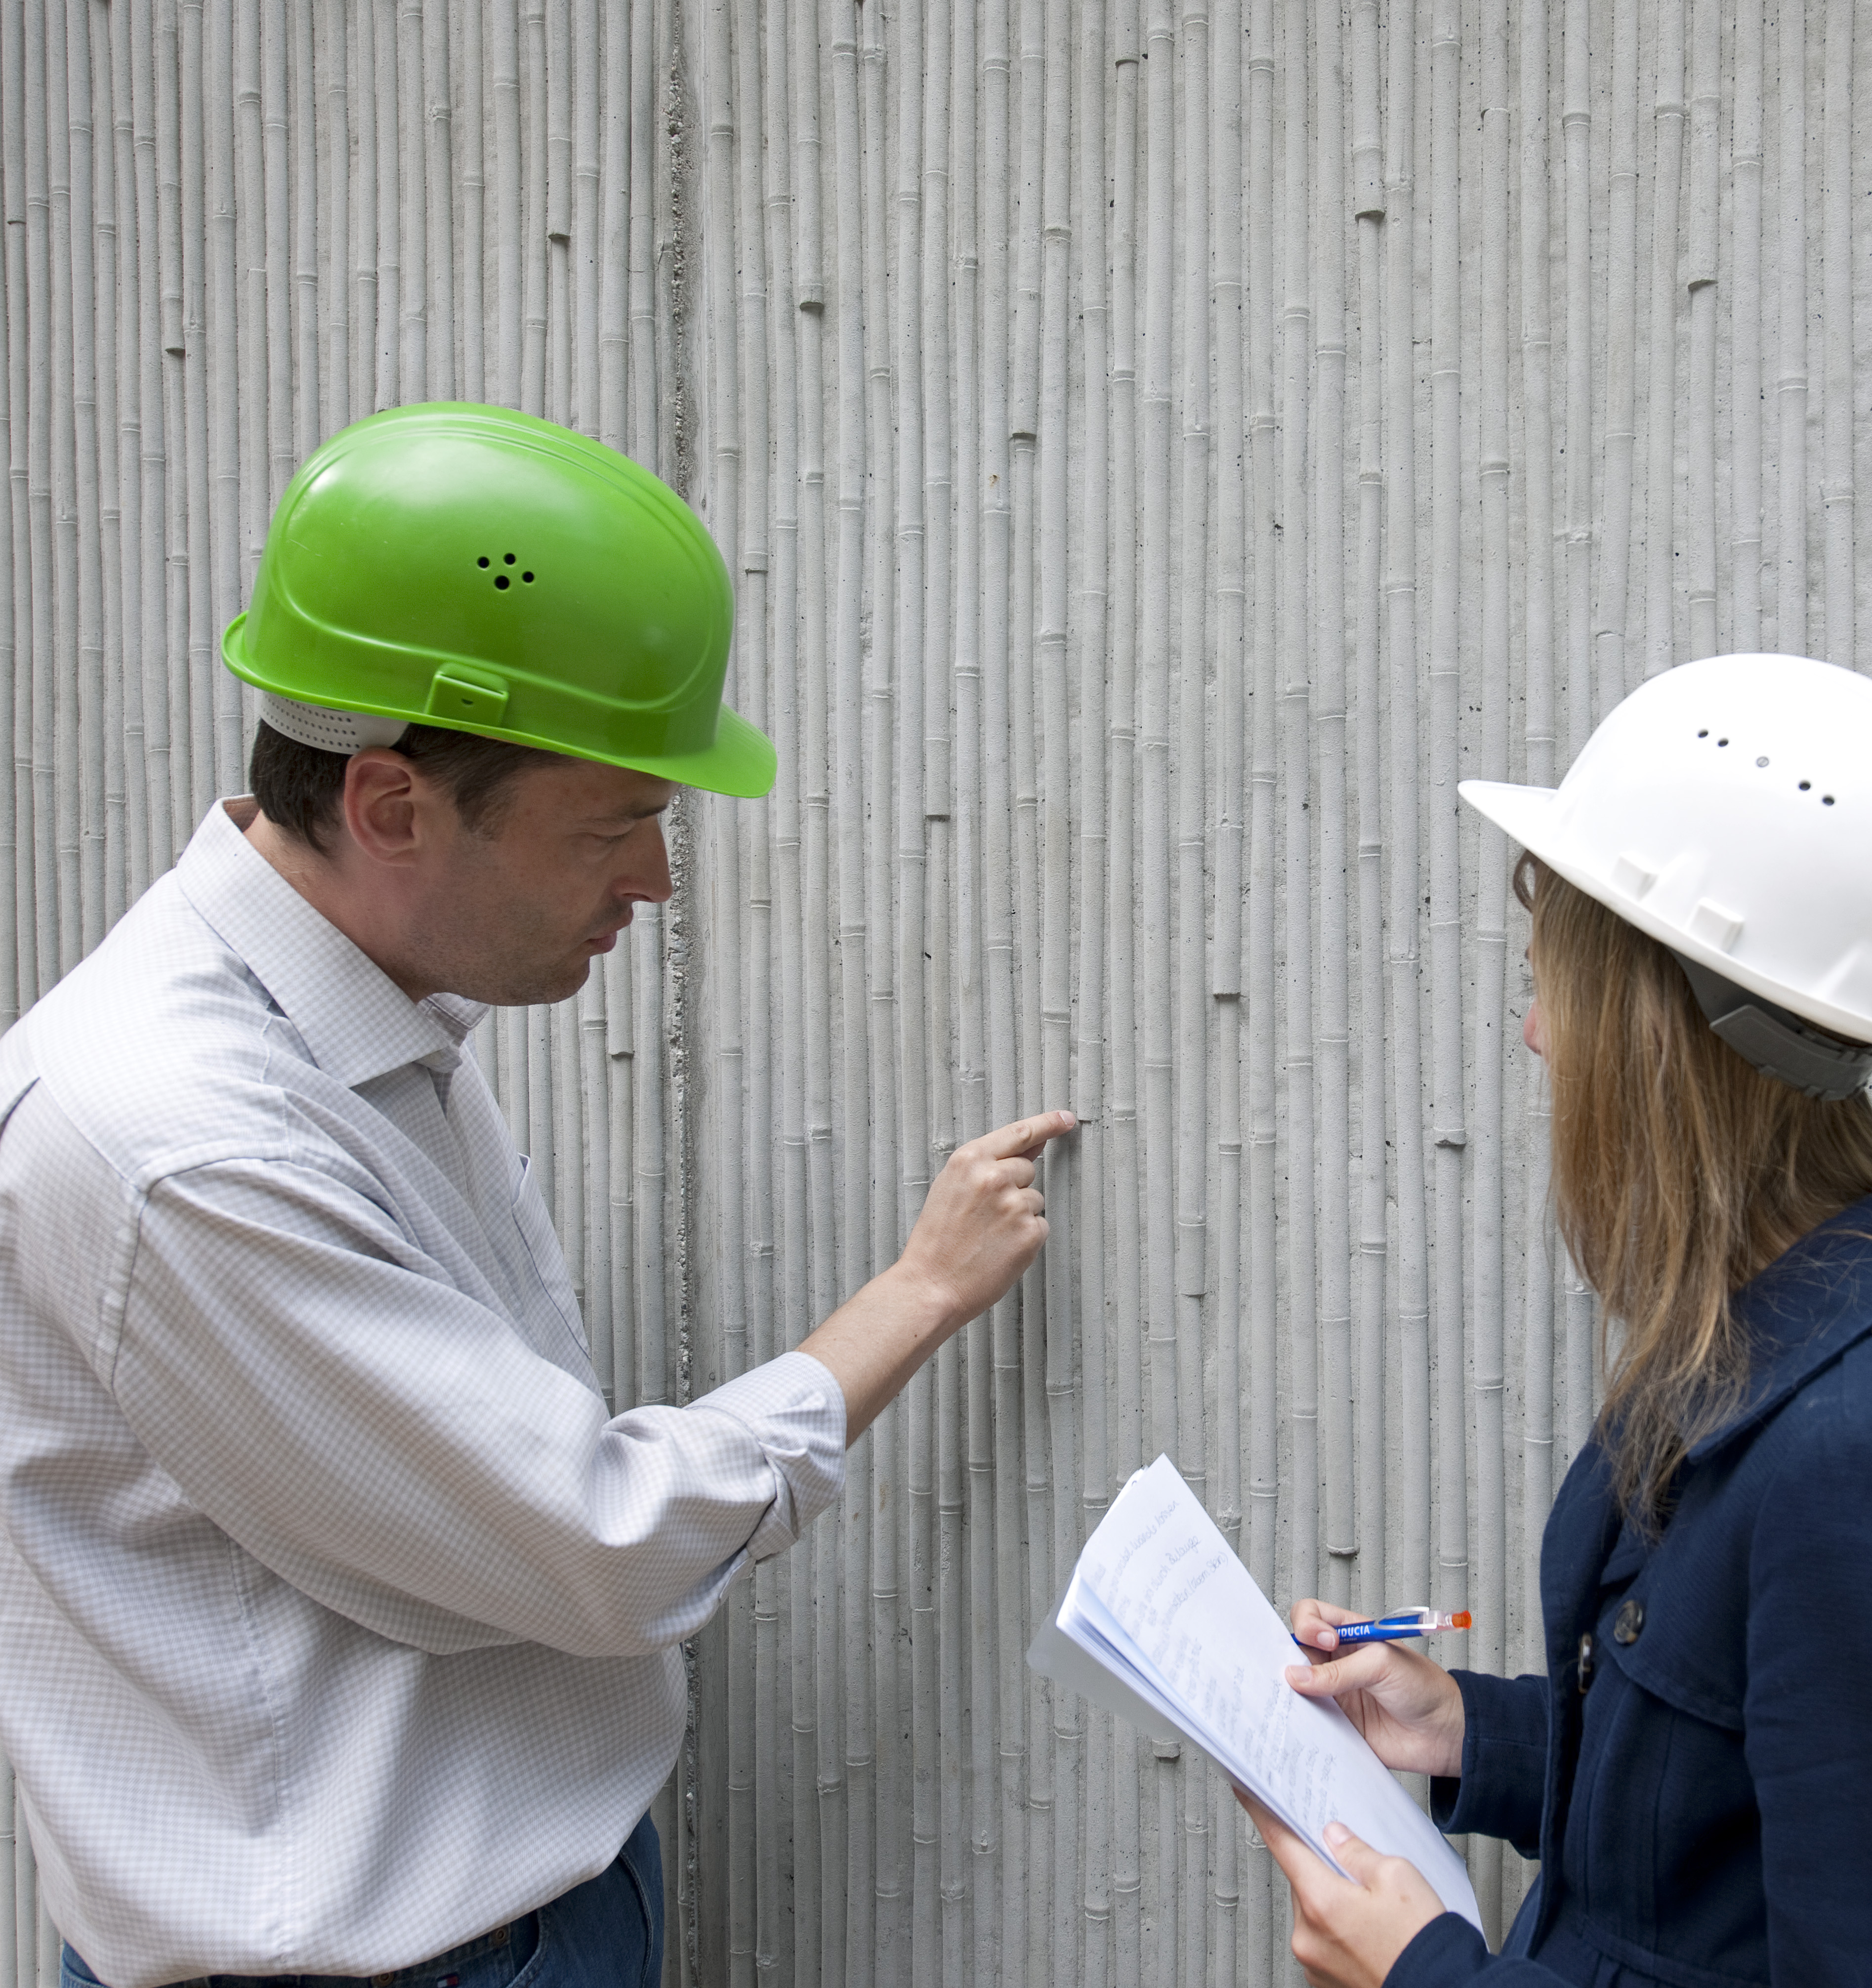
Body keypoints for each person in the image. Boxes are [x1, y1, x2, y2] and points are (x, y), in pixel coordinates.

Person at [0, 403, 1072, 1988]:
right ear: (388, 806)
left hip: (508, 1914)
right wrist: (908, 1300)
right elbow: (600, 1539)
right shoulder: (183, 1143)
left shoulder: (360, 1002)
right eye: (618, 823)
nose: (654, 880)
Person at [1240, 653, 1872, 1986]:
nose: (1537, 1034)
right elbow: (1739, 1825)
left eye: (1560, 985)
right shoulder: (1784, 1348)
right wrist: (1466, 1735)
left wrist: (1423, 1980)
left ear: (1662, 1030)